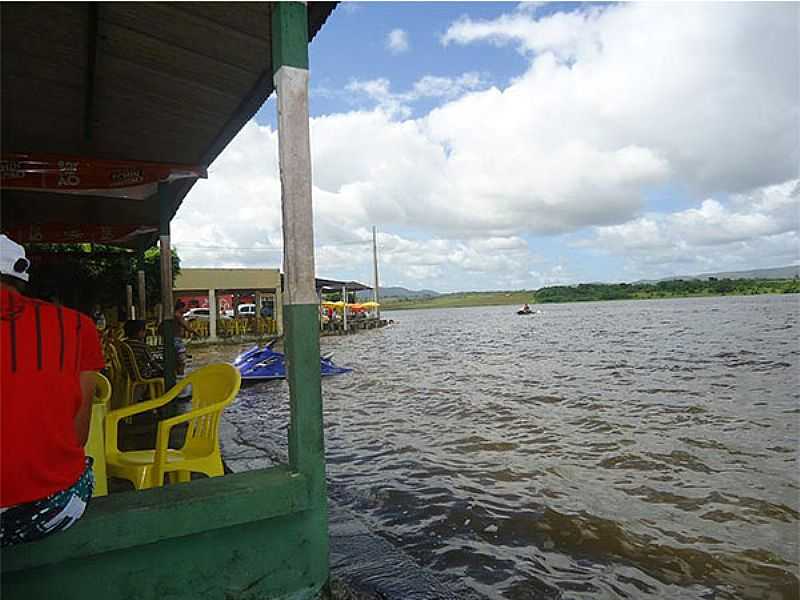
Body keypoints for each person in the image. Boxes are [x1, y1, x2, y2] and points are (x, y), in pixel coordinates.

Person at [0, 234, 105, 546]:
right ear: (22, 274)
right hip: (47, 510)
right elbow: (78, 435)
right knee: (82, 469)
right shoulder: (77, 326)